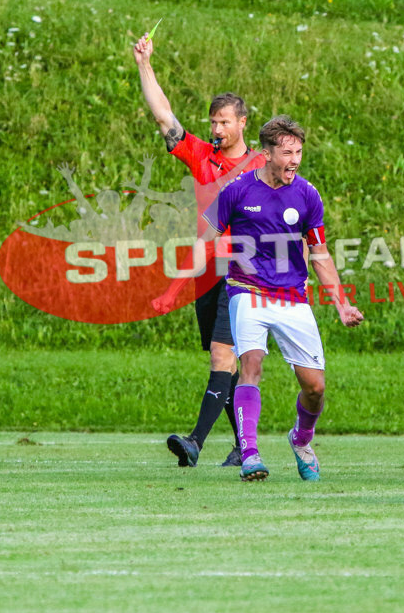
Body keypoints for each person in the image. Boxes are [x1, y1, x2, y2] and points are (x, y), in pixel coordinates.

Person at [200, 115, 364, 481]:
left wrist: (341, 304)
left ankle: (301, 439)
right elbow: (206, 233)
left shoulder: (307, 194)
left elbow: (319, 254)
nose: (294, 160)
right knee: (251, 365)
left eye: (299, 152)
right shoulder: (237, 190)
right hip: (247, 292)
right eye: (287, 152)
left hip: (292, 297)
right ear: (266, 153)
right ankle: (251, 455)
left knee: (315, 387)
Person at [134, 33, 265, 469]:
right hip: (205, 270)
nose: (216, 129)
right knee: (220, 360)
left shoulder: (261, 166)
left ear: (243, 122)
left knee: (221, 355)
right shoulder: (203, 155)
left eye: (224, 122)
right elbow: (164, 116)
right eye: (212, 122)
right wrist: (145, 64)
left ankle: (194, 442)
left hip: (243, 269)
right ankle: (242, 444)